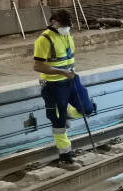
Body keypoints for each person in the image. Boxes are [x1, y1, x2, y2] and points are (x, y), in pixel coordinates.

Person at [33, 9, 90, 166]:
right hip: (53, 85)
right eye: (65, 26)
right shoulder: (44, 40)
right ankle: (65, 158)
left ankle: (65, 112)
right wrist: (61, 72)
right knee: (58, 123)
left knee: (87, 108)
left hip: (71, 80)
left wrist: (68, 73)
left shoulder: (67, 34)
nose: (68, 28)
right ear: (54, 23)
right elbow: (37, 66)